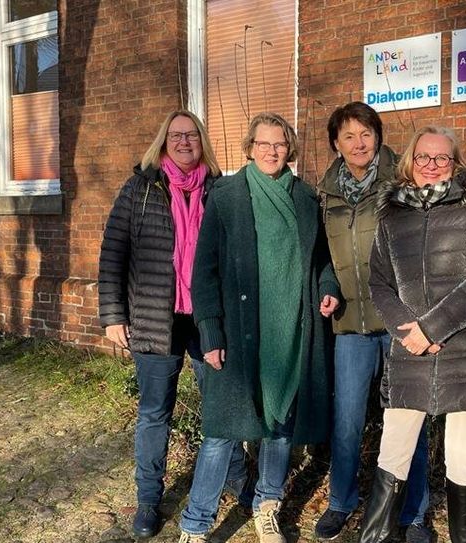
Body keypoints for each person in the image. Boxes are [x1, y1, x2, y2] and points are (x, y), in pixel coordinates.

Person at [178, 112, 341, 543]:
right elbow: (204, 270)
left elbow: (322, 257)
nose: (272, 152)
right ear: (249, 148)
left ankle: (266, 504)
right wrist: (209, 331)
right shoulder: (228, 195)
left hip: (291, 330)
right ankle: (196, 525)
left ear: (290, 149)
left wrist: (327, 286)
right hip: (239, 333)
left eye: (280, 144)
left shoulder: (306, 198)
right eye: (264, 144)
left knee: (281, 425)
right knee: (221, 432)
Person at [359, 126, 466, 543]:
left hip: (465, 352)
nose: (431, 166)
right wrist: (407, 331)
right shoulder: (391, 215)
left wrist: (432, 327)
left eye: (441, 158)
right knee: (392, 455)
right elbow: (379, 283)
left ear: (455, 163)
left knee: (462, 460)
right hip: (409, 350)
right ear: (410, 162)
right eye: (423, 158)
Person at [98, 110, 251, 539]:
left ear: (203, 141)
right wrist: (113, 315)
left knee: (221, 402)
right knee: (154, 413)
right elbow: (113, 253)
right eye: (176, 135)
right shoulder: (140, 189)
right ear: (164, 142)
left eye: (192, 135)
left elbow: (237, 258)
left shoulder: (222, 191)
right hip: (153, 317)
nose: (184, 142)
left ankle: (239, 480)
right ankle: (149, 499)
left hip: (207, 320)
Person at [314, 102, 431, 542]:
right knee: (345, 420)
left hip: (400, 324)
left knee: (407, 420)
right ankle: (341, 501)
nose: (358, 143)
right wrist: (329, 285)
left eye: (365, 133)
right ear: (335, 144)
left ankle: (414, 512)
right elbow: (324, 256)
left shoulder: (402, 182)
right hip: (350, 326)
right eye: (348, 136)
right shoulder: (326, 193)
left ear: (378, 137)